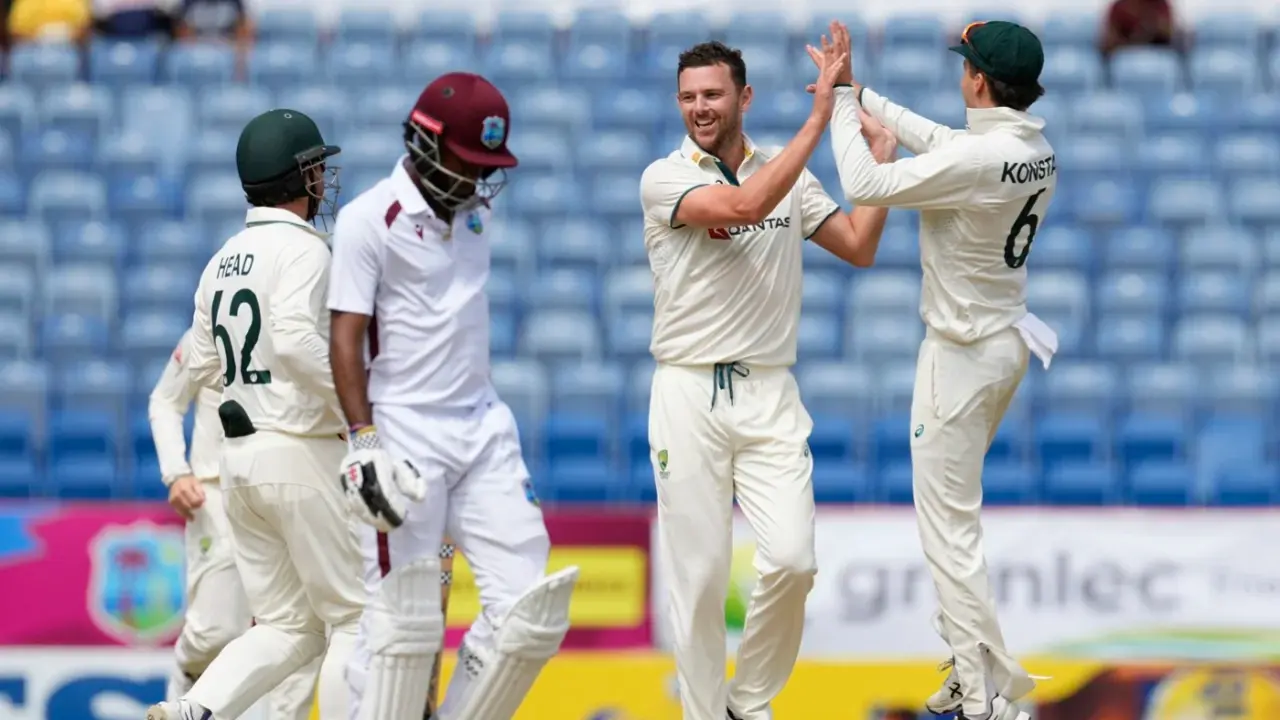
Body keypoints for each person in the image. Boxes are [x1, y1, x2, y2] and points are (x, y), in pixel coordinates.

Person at [638, 40, 895, 720]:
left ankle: (746, 703)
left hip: (769, 390)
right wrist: (821, 118)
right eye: (689, 95)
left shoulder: (790, 175)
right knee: (696, 581)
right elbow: (747, 205)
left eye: (713, 94)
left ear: (743, 99)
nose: (700, 107)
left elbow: (860, 247)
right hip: (688, 389)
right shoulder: (664, 178)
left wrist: (883, 162)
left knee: (792, 559)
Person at [821, 19, 1060, 720]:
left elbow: (863, 179)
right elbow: (948, 144)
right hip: (1003, 348)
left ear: (978, 81)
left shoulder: (981, 162)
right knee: (953, 526)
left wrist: (838, 103)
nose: (961, 76)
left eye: (966, 68)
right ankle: (969, 671)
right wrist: (862, 92)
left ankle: (985, 693)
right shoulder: (1034, 148)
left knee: (947, 533)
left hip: (957, 360)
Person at [328, 71, 578, 720]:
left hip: (483, 427)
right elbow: (345, 335)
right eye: (468, 163)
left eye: (487, 167)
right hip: (404, 434)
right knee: (401, 627)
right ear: (424, 143)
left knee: (530, 612)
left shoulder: (478, 213)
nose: (476, 181)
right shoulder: (368, 219)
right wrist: (364, 441)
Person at [146, 108, 366, 720]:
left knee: (286, 625)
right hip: (302, 450)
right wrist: (360, 410)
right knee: (355, 616)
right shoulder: (305, 251)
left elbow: (205, 362)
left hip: (238, 462)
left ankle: (192, 709)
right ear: (298, 177)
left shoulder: (222, 259)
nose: (325, 176)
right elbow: (297, 341)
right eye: (317, 166)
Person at [148, 328, 322, 720]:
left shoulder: (304, 329)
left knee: (305, 630)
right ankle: (185, 683)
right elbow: (165, 400)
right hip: (217, 491)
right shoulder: (212, 326)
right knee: (214, 632)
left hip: (296, 489)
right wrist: (176, 472)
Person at [1101, 0, 1181, 54]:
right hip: (1126, 57)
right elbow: (1108, 43)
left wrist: (1153, 27)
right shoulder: (1119, 7)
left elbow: (1171, 35)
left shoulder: (1161, 5)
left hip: (1157, 57)